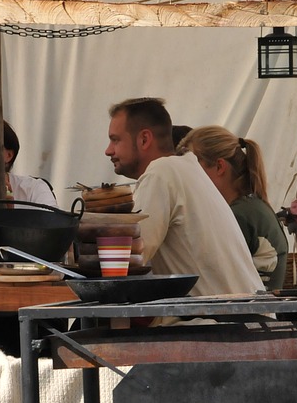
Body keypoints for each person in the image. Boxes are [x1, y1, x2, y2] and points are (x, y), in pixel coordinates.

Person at [105, 97, 262, 297]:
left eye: (115, 139)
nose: (108, 150)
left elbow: (126, 260)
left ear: (144, 139)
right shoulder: (185, 168)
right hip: (236, 317)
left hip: (220, 323)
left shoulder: (162, 172)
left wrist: (90, 231)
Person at [179, 126, 288, 290]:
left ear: (219, 167)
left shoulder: (239, 215)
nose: (187, 177)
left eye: (193, 167)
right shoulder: (251, 207)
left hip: (246, 313)